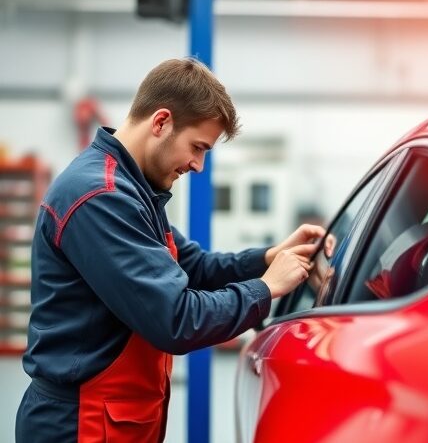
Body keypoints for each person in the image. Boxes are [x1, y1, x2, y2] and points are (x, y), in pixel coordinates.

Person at [15, 58, 325, 443]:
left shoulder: (133, 188)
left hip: (112, 419)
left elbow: (192, 266)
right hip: (81, 425)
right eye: (197, 147)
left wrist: (267, 258)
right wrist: (266, 287)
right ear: (161, 122)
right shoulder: (101, 197)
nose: (198, 165)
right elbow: (175, 319)